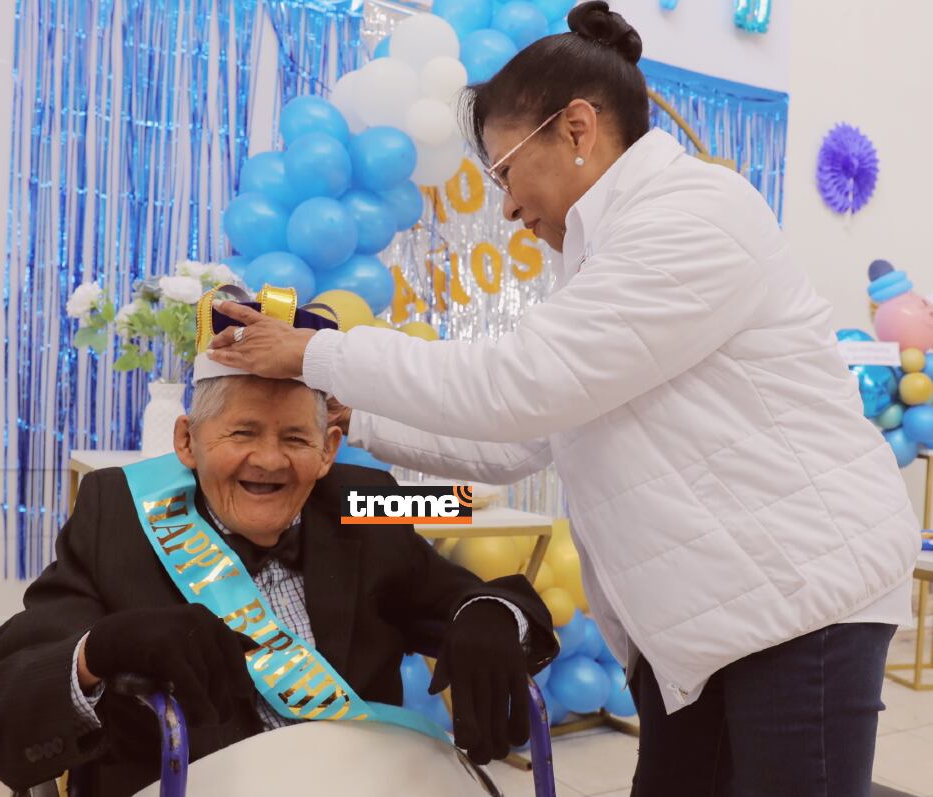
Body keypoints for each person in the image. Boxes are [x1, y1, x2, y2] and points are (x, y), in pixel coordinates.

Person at [204, 4, 921, 795]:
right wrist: (354, 417)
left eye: (505, 172)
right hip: (708, 616)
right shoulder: (603, 259)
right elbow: (518, 437)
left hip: (796, 599)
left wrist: (319, 353)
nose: (509, 207)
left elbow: (521, 387)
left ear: (578, 128)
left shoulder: (692, 215)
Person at [0, 295, 557, 797]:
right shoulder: (117, 512)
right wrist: (96, 652)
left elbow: (466, 591)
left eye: (295, 437)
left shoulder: (365, 499)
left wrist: (489, 614)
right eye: (242, 432)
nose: (268, 460)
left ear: (328, 450)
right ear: (187, 442)